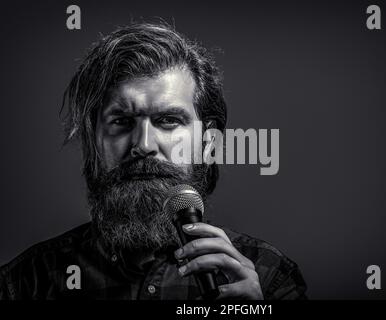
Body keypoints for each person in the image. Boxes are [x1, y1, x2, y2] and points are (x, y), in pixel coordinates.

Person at [0, 23, 307, 300]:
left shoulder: (269, 277)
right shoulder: (26, 284)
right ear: (93, 142)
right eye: (121, 121)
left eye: (169, 120)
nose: (143, 145)